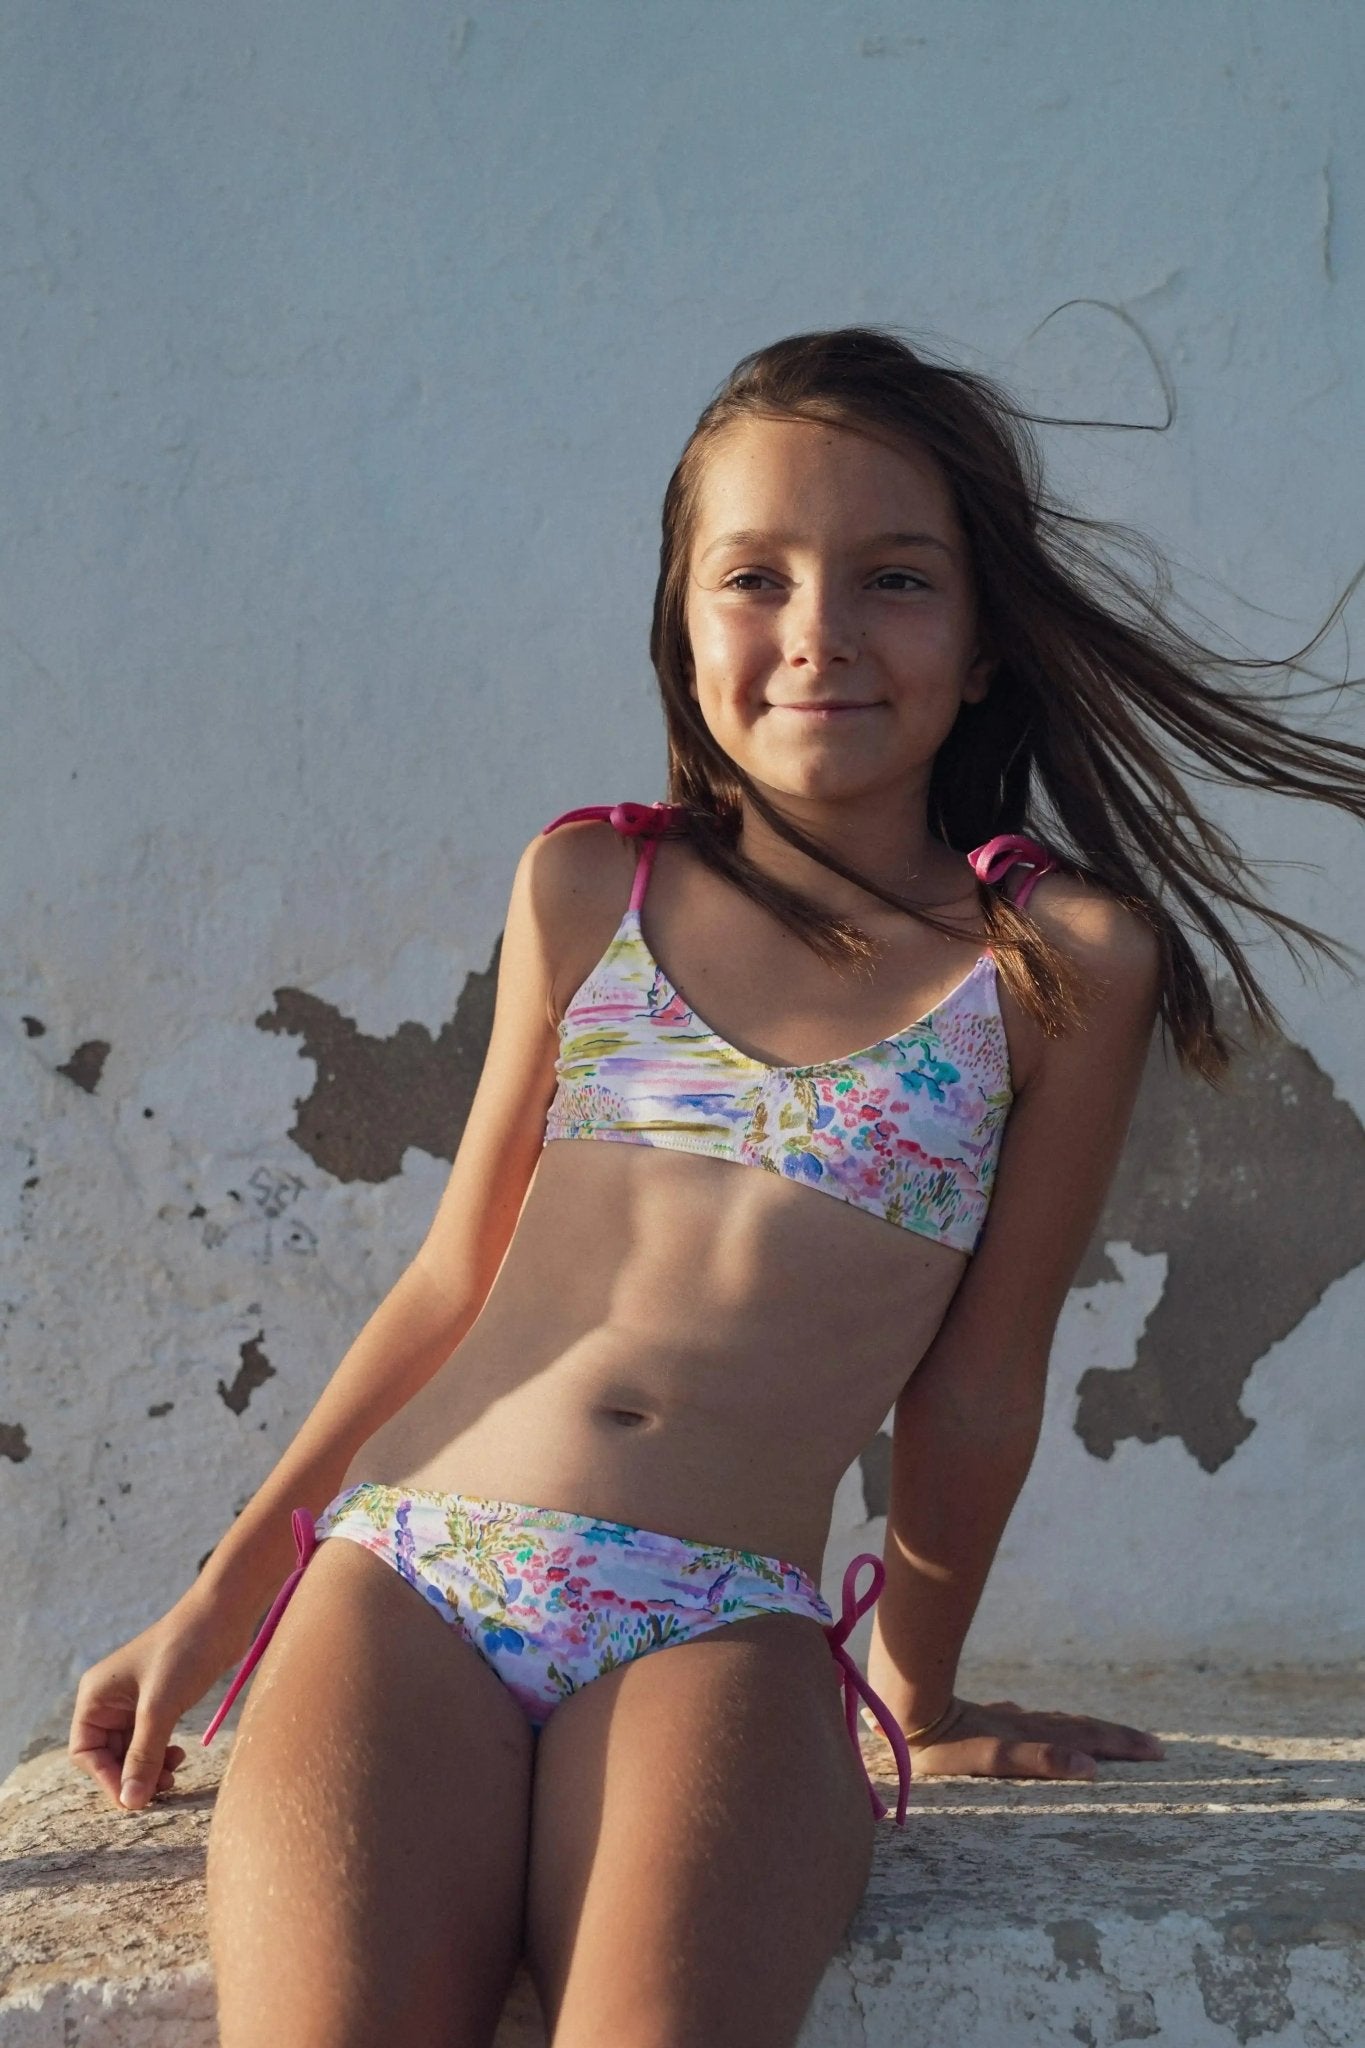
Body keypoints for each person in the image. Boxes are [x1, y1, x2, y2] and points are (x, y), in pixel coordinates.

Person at [68, 326, 1365, 2048]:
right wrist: (224, 1592)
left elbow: (979, 1387)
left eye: (894, 578)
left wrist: (913, 1693)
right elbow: (451, 1281)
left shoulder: (1050, 962)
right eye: (754, 578)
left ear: (983, 640)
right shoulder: (590, 886)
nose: (819, 632)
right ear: (683, 629)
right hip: (414, 1578)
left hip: (711, 1618)